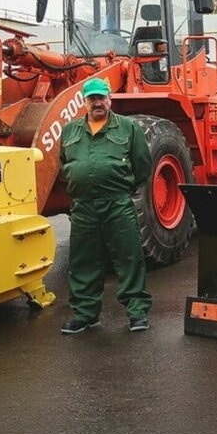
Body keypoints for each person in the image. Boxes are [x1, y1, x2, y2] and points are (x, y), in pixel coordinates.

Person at [58, 78, 153, 334]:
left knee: (129, 256)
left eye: (102, 97)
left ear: (109, 99)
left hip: (117, 204)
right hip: (83, 207)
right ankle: (86, 314)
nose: (97, 102)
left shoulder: (128, 128)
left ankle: (137, 312)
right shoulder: (70, 131)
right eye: (92, 99)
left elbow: (143, 164)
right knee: (83, 261)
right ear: (84, 102)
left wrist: (123, 188)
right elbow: (64, 163)